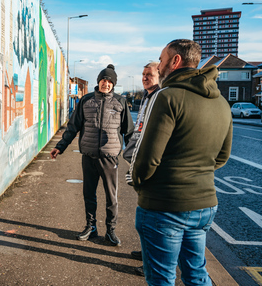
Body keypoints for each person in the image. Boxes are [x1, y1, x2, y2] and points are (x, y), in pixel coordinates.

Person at [132, 39, 233, 285]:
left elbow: (147, 157)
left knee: (161, 278)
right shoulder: (221, 101)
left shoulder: (167, 96)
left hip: (164, 205)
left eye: (163, 59)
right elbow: (222, 156)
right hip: (204, 205)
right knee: (196, 273)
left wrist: (138, 183)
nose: (160, 65)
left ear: (175, 61)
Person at [50, 64, 134, 246]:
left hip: (110, 157)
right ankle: (91, 226)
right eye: (104, 80)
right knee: (89, 193)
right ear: (99, 81)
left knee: (111, 197)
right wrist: (60, 146)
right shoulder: (86, 101)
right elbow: (73, 127)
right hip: (88, 155)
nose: (106, 83)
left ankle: (110, 231)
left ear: (114, 84)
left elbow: (129, 132)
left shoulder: (120, 102)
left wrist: (133, 158)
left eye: (110, 81)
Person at [122, 61, 160, 276]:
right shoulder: (146, 96)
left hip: (147, 166)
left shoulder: (159, 97)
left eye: (150, 74)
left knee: (150, 219)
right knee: (144, 218)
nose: (145, 78)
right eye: (143, 74)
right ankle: (147, 254)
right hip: (136, 160)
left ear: (159, 75)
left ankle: (151, 263)